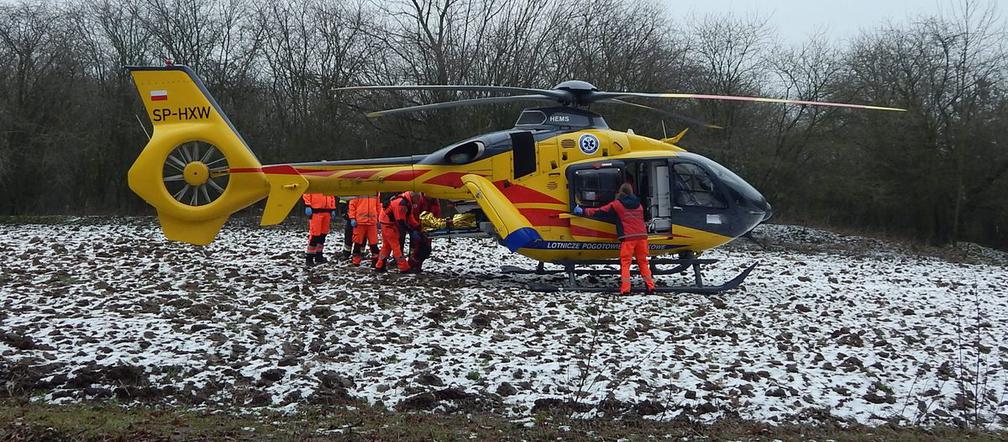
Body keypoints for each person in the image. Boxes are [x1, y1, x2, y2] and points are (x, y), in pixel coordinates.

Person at [575, 183, 655, 295]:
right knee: (643, 263)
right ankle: (650, 286)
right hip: (642, 237)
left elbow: (600, 211)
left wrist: (583, 211)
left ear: (620, 192)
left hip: (628, 238)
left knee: (626, 264)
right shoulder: (639, 204)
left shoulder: (617, 204)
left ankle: (626, 289)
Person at [374, 191, 423, 272]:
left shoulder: (407, 202)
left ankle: (380, 265)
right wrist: (412, 231)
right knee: (396, 247)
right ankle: (404, 267)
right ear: (414, 197)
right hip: (389, 225)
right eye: (418, 199)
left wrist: (417, 226)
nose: (418, 202)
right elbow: (401, 221)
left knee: (387, 246)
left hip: (387, 223)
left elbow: (409, 217)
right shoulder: (402, 203)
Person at [407, 194, 440, 273]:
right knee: (415, 248)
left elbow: (437, 216)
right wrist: (416, 227)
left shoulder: (435, 202)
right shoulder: (418, 200)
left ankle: (418, 265)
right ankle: (411, 265)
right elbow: (413, 215)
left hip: (428, 230)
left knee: (426, 249)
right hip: (417, 228)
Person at [302, 193, 337, 266]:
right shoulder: (316, 183)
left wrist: (333, 208)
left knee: (323, 235)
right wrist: (307, 205)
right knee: (315, 235)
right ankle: (309, 258)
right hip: (315, 212)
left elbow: (331, 196)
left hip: (327, 212)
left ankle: (319, 256)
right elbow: (307, 193)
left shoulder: (328, 185)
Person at [348, 193, 381, 266]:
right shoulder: (359, 191)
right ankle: (356, 261)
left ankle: (376, 261)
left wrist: (379, 218)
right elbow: (352, 205)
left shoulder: (375, 192)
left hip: (372, 222)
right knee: (357, 243)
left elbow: (378, 206)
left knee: (373, 243)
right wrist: (352, 218)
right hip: (360, 222)